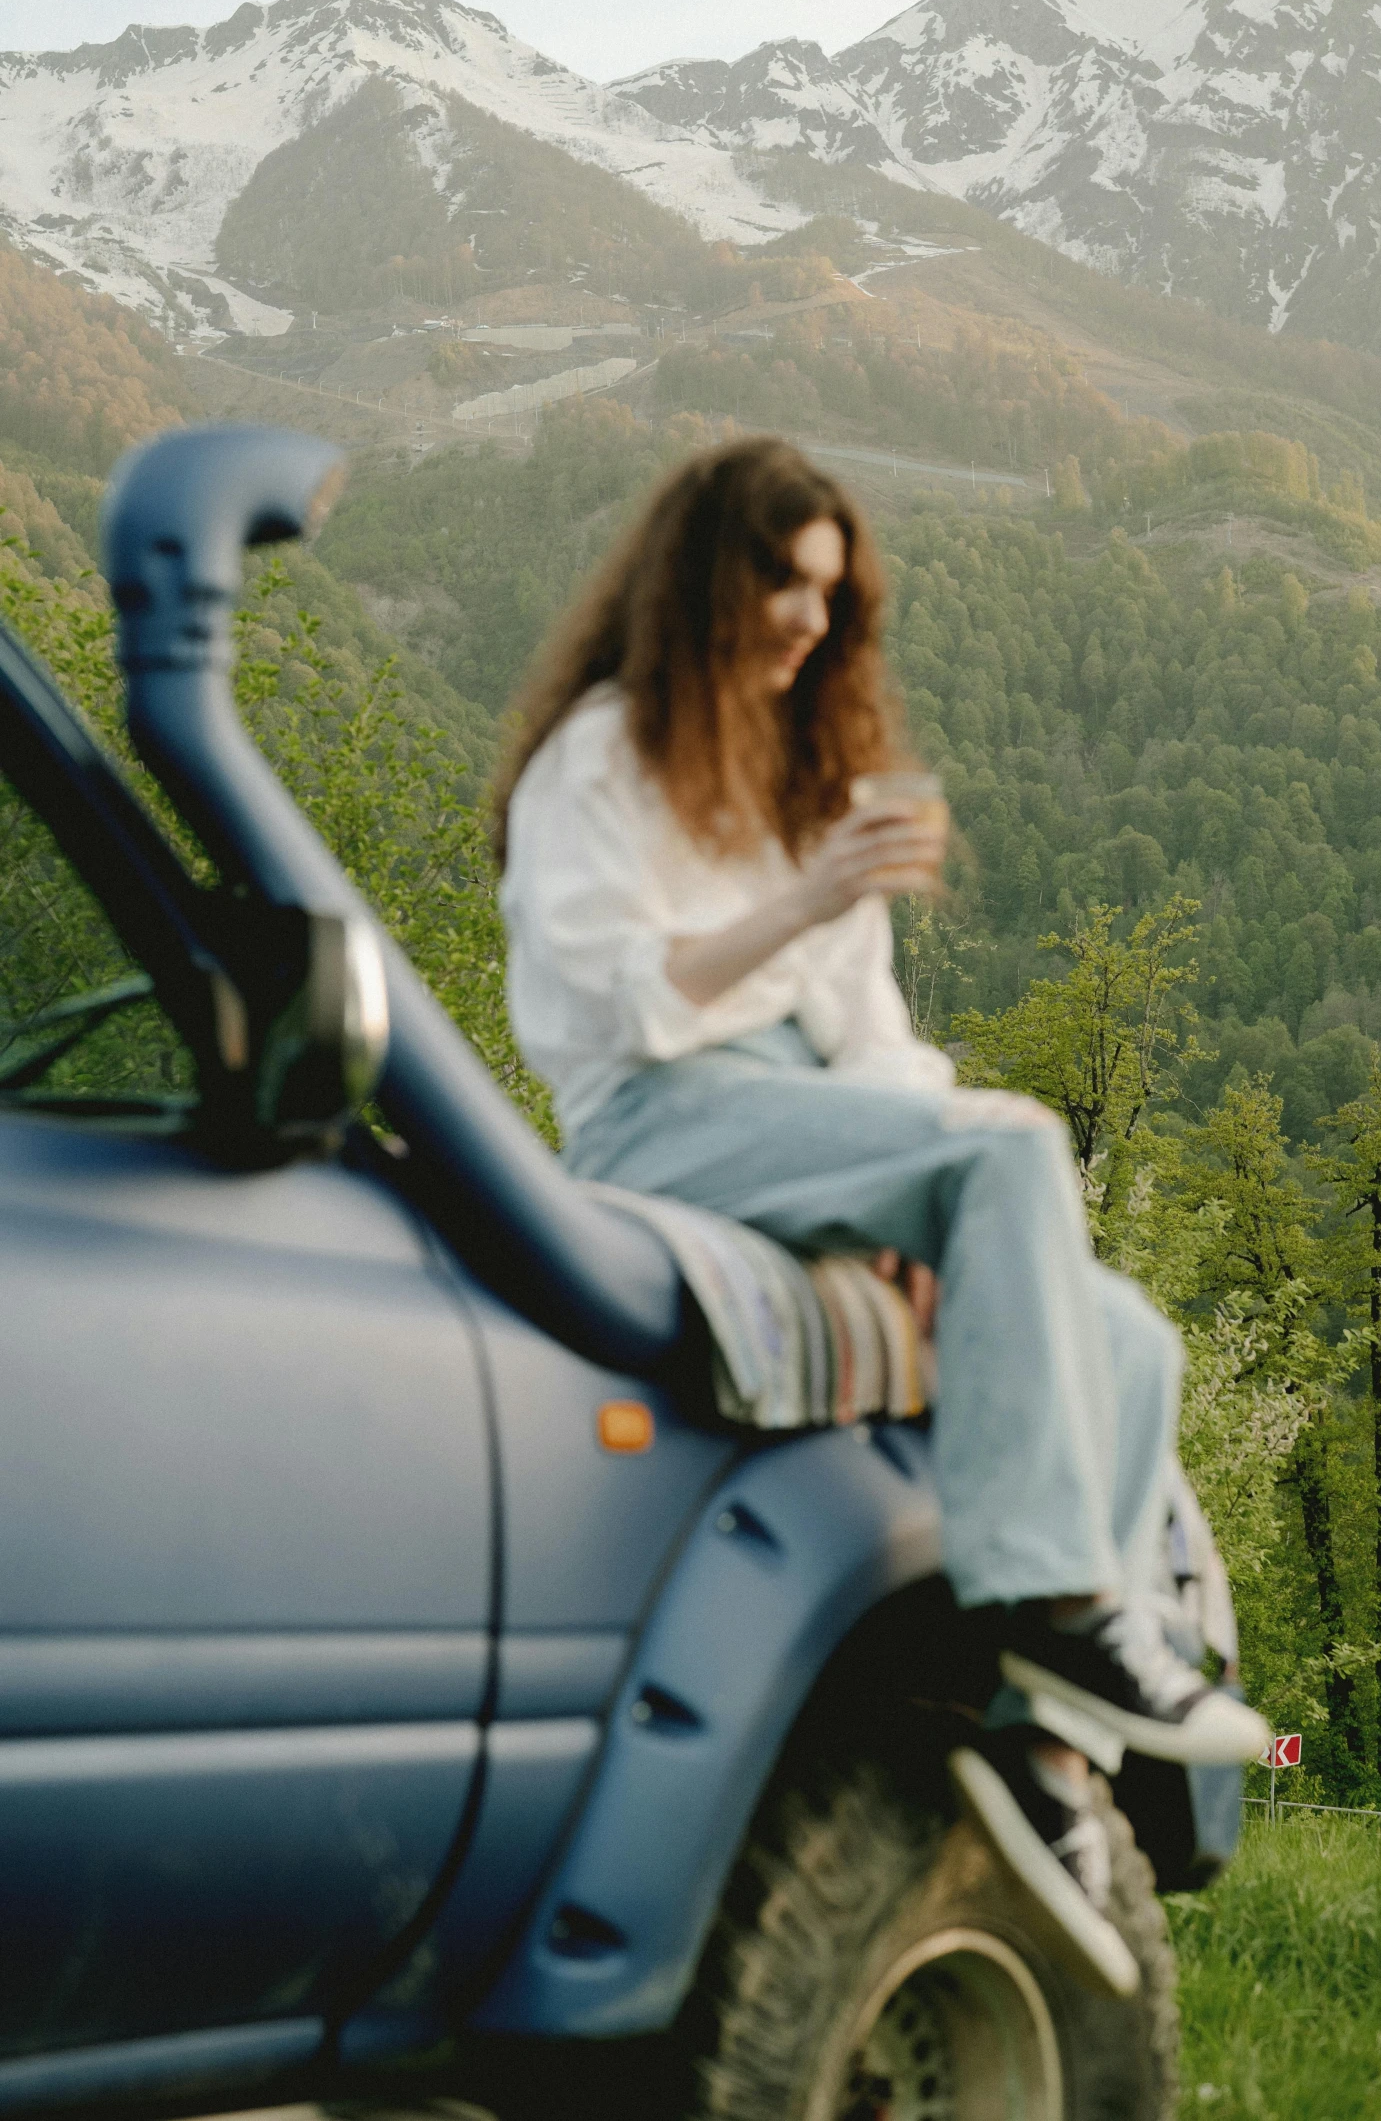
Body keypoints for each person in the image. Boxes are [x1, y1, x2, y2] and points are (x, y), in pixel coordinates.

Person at [494, 436, 1266, 1992]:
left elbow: (872, 1040)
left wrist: (913, 1166)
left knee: (1122, 1341)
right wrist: (804, 898)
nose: (800, 615)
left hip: (806, 1115)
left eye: (825, 591)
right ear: (701, 577)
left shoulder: (798, 769)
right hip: (662, 1118)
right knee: (1011, 1153)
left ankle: (1042, 1753)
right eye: (776, 577)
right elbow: (623, 1007)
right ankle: (1060, 1609)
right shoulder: (603, 755)